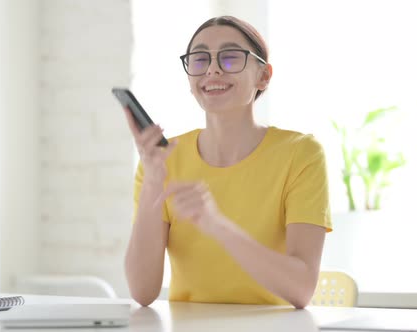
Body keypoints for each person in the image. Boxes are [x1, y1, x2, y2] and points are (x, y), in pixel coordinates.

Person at [123, 15, 332, 309]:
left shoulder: (300, 153)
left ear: (264, 75)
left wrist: (216, 224)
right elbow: (142, 291)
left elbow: (301, 290)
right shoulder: (161, 159)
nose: (212, 70)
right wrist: (153, 185)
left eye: (230, 58)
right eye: (199, 60)